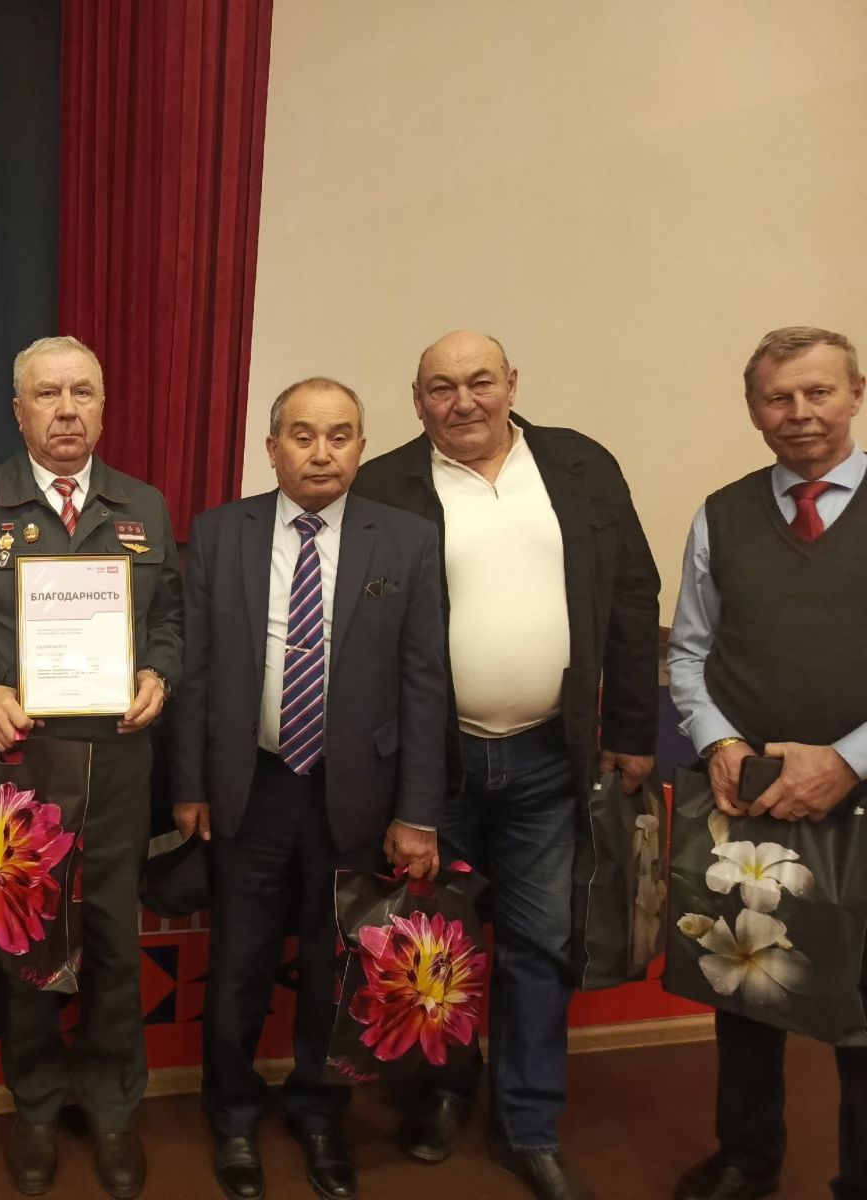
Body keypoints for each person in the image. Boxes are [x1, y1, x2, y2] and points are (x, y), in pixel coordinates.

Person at [351, 330, 659, 1200]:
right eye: (441, 387)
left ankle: (528, 1125)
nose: (464, 402)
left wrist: (633, 725)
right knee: (435, 944)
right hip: (432, 766)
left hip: (549, 756)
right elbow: (362, 637)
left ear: (512, 383)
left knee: (539, 945)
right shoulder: (386, 486)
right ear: (417, 402)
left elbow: (633, 595)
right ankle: (444, 1092)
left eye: (480, 381)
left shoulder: (582, 467)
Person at [173, 377, 447, 1200]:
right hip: (250, 786)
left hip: (354, 793)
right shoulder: (220, 532)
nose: (321, 452)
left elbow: (425, 683)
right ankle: (232, 1115)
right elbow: (194, 672)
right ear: (272, 448)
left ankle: (319, 1111)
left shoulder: (406, 540)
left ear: (361, 446)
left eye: (339, 435)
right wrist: (189, 783)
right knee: (238, 965)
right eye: (302, 435)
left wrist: (418, 812)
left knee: (337, 969)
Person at [0, 335, 183, 1199]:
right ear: (19, 410)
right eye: (48, 394)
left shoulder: (144, 505)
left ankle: (112, 1109)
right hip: (19, 761)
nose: (67, 409)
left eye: (83, 393)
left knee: (114, 942)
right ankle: (37, 1106)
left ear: (104, 408)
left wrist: (160, 674)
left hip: (117, 763)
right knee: (26, 938)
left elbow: (169, 623)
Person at [666, 325, 867, 1200]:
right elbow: (687, 652)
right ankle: (747, 1160)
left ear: (856, 393)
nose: (799, 412)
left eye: (818, 391)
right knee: (748, 989)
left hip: (864, 794)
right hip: (750, 802)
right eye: (778, 398)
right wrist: (719, 741)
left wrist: (849, 761)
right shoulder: (721, 513)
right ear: (754, 410)